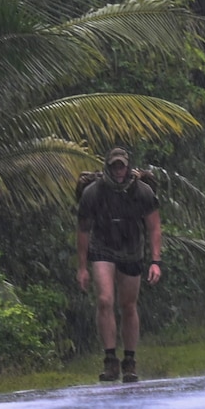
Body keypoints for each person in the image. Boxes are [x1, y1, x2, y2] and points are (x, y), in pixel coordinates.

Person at [75, 147, 162, 383]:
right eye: (114, 166)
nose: (119, 171)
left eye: (122, 166)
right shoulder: (93, 193)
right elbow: (83, 230)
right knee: (104, 300)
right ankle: (110, 359)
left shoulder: (142, 192)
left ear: (128, 166)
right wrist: (82, 267)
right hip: (102, 249)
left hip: (132, 250)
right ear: (108, 167)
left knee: (128, 306)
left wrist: (155, 261)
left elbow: (154, 227)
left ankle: (130, 361)